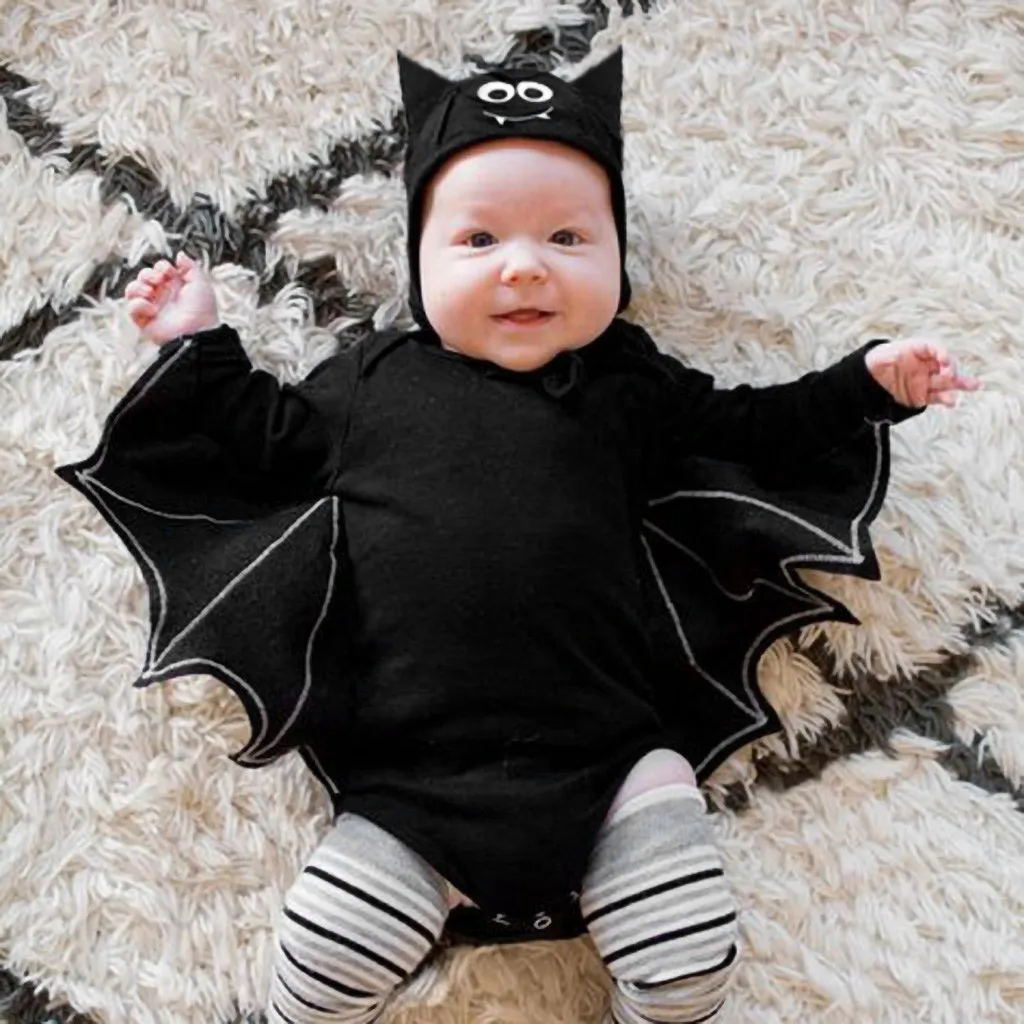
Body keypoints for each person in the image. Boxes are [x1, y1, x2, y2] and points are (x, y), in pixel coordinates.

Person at [60, 49, 978, 1024]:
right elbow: (263, 440)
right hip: (407, 784)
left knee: (687, 962)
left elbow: (754, 429)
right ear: (419, 262)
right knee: (321, 964)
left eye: (569, 236)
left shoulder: (629, 385)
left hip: (617, 763)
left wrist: (864, 385)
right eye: (479, 238)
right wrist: (200, 342)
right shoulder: (370, 384)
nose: (526, 264)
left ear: (619, 260)